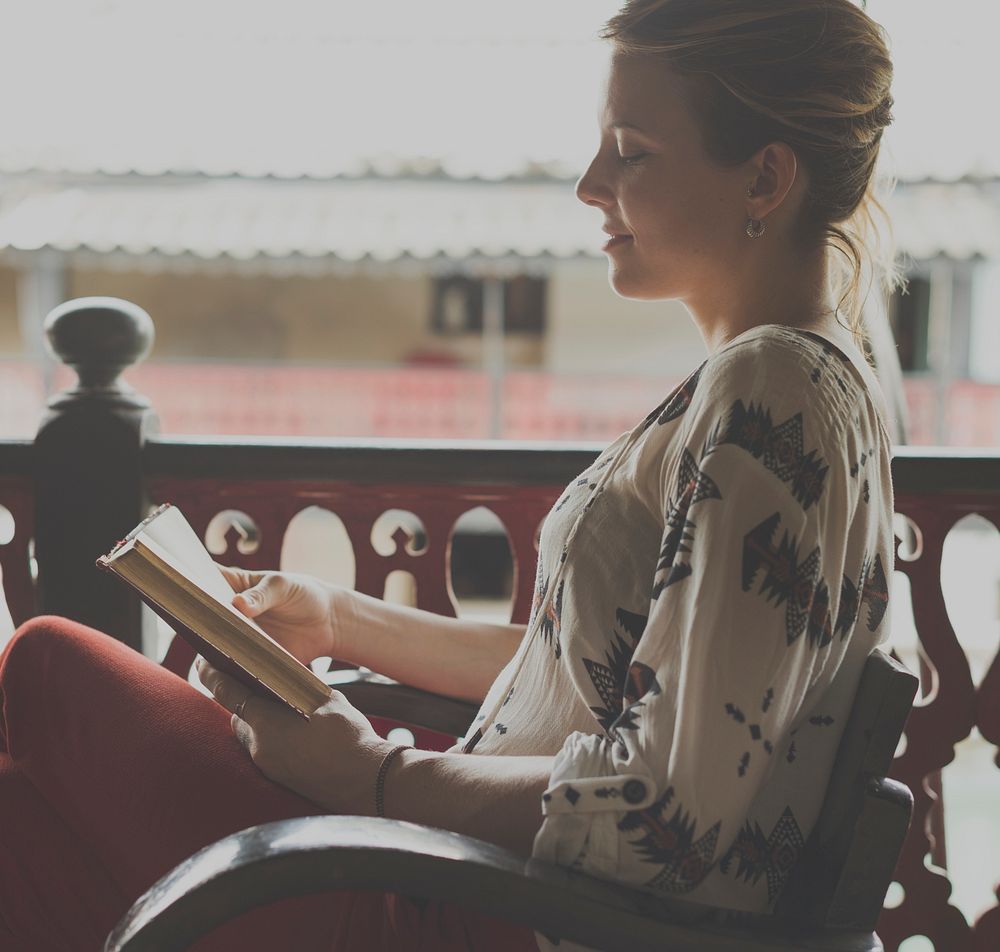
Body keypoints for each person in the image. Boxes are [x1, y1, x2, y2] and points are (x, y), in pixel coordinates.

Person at [0, 1, 898, 949]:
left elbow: (663, 817)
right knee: (15, 823)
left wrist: (372, 776)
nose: (590, 184)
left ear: (765, 176)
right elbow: (588, 669)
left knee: (48, 664)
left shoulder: (773, 393)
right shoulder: (801, 385)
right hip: (475, 877)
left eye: (631, 151)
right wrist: (341, 619)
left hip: (485, 912)